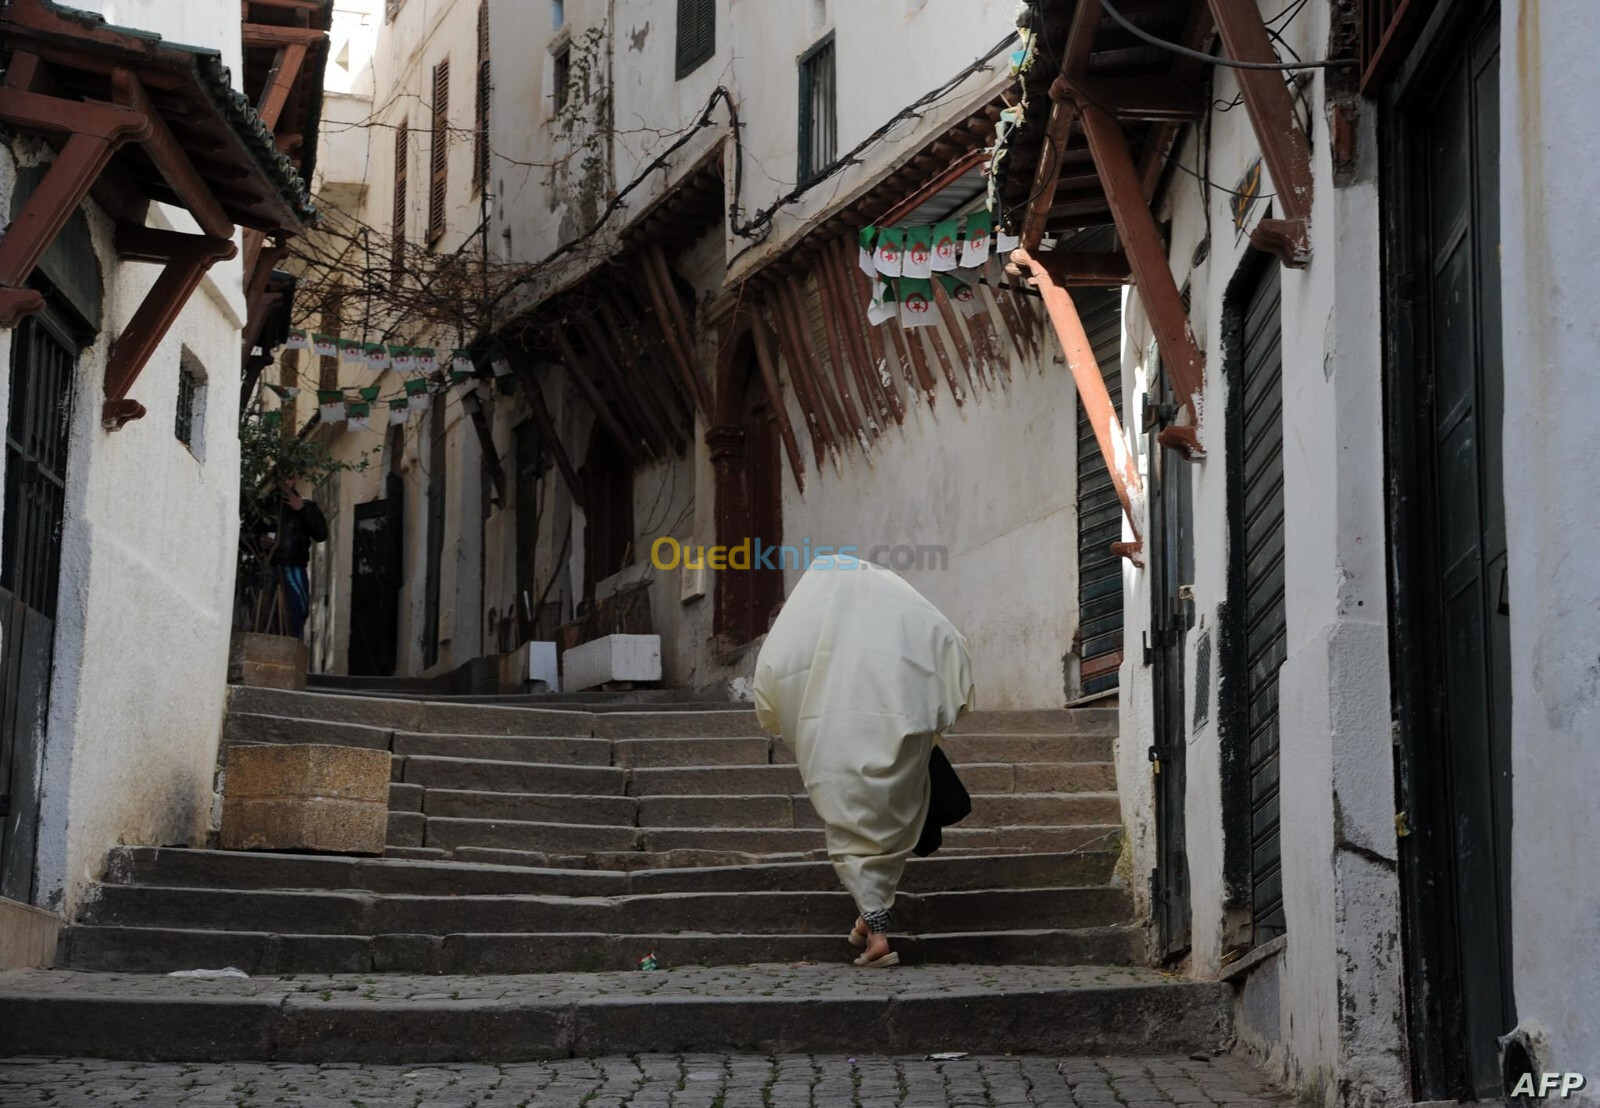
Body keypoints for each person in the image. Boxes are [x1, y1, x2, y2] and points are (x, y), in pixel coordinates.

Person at [752, 553, 974, 968]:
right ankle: (866, 920)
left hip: (832, 750)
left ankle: (878, 938)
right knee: (886, 834)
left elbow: (770, 676)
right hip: (891, 742)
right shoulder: (888, 628)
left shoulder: (803, 631)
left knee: (853, 837)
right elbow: (944, 639)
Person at [261, 477, 328, 639]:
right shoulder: (264, 506)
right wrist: (258, 539)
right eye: (282, 477)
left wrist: (302, 510)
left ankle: (292, 650)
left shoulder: (308, 506)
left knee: (297, 611)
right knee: (269, 613)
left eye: (289, 478)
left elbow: (321, 534)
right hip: (269, 567)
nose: (285, 482)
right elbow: (244, 535)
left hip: (295, 566)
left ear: (296, 478)